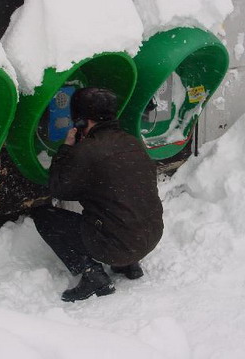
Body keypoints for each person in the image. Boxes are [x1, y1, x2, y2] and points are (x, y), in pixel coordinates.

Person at [31, 87, 163, 302]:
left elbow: (58, 188)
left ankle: (93, 275)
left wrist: (67, 149)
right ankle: (129, 265)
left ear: (81, 120)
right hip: (149, 237)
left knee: (44, 216)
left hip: (118, 245)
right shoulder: (132, 142)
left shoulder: (87, 151)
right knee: (120, 202)